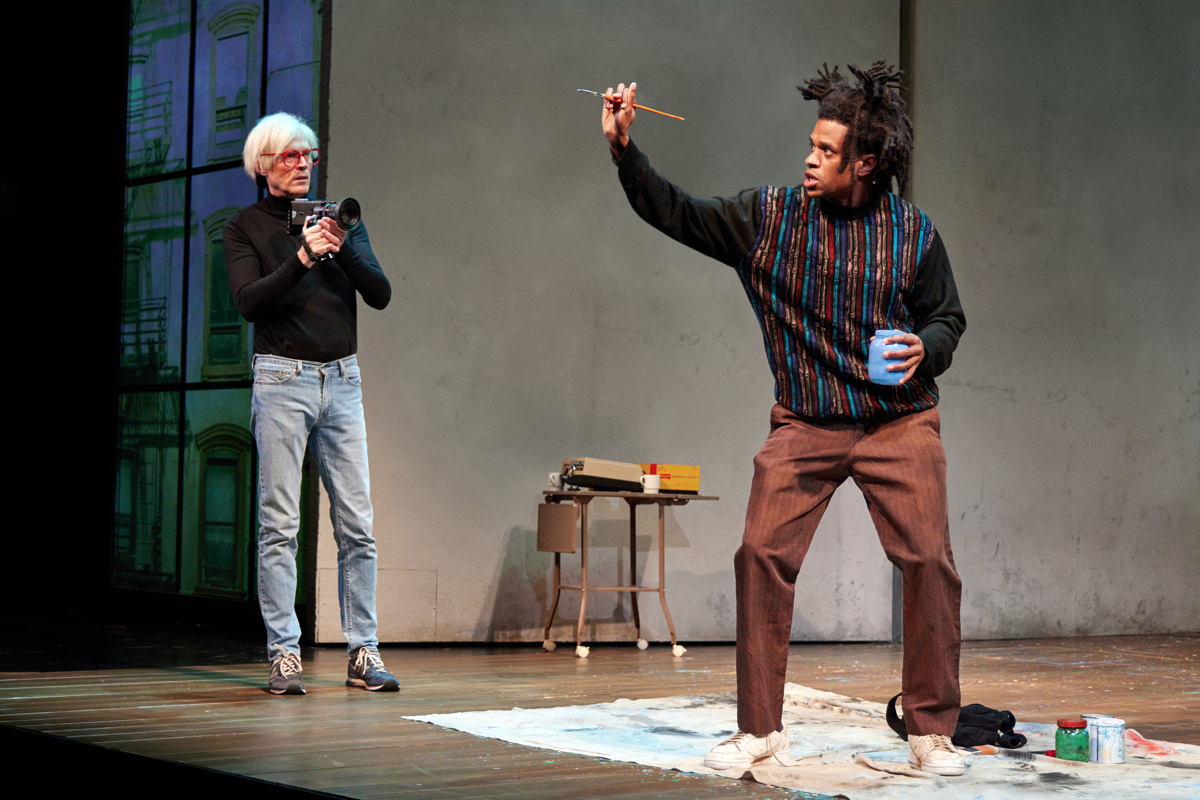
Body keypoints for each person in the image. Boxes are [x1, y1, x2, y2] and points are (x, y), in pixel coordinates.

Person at [601, 63, 967, 776]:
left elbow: (947, 317)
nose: (810, 158)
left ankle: (931, 731)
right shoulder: (769, 219)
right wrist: (624, 149)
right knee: (760, 554)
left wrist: (928, 347)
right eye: (812, 145)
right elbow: (676, 211)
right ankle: (761, 729)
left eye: (827, 151)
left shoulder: (912, 232)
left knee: (930, 562)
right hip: (806, 420)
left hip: (899, 422)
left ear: (865, 163)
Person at [225, 112, 398, 695]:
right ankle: (284, 653)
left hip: (342, 381)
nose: (303, 165)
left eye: (309, 156)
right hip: (282, 379)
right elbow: (249, 301)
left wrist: (339, 247)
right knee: (279, 525)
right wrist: (301, 257)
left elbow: (380, 293)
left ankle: (363, 652)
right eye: (291, 156)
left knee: (358, 525)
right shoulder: (244, 226)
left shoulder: (340, 219)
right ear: (263, 165)